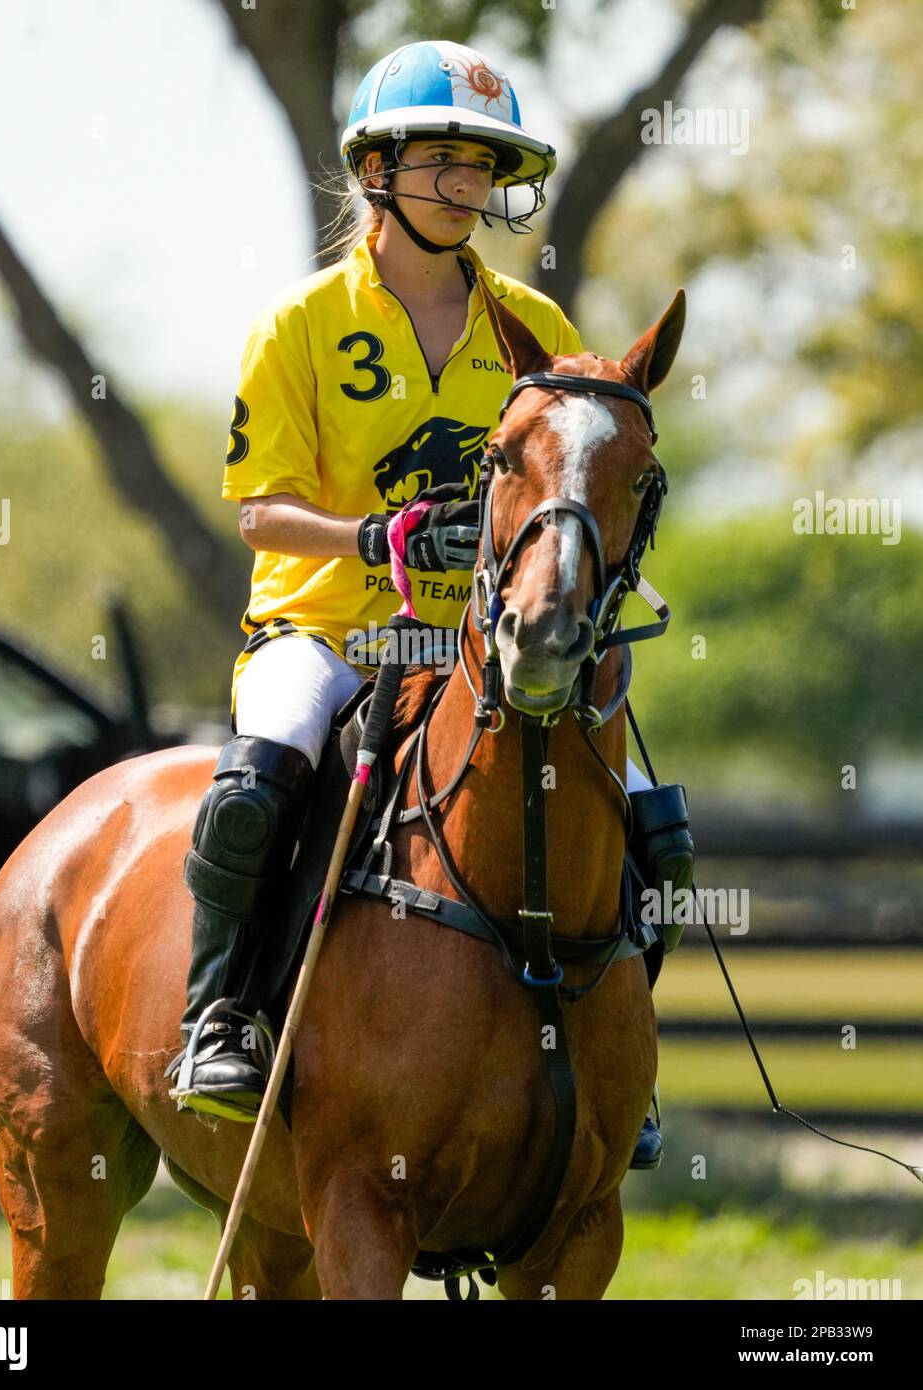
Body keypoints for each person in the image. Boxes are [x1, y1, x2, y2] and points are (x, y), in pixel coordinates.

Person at [166, 39, 694, 1170]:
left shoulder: (537, 324)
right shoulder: (300, 324)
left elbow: (578, 471)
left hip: (491, 641)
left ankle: (618, 1068)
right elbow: (260, 513)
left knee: (651, 821)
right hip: (328, 626)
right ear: (379, 170)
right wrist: (378, 532)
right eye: (443, 159)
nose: (468, 184)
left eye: (482, 164)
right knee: (264, 771)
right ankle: (222, 1018)